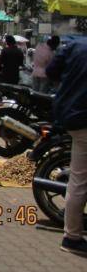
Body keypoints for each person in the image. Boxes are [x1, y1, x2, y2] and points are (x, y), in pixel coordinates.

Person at [46, 39, 87, 256]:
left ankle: (72, 236)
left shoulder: (74, 44)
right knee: (79, 181)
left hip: (68, 115)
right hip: (82, 120)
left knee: (79, 179)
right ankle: (72, 237)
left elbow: (52, 71)